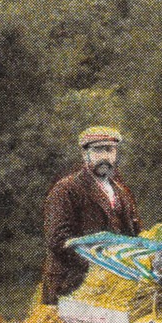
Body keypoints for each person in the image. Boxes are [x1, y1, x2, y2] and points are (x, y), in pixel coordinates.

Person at [41, 126, 141, 305]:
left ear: (116, 154)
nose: (105, 156)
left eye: (109, 150)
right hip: (70, 287)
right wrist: (98, 267)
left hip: (111, 289)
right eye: (98, 150)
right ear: (84, 154)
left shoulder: (122, 193)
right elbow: (57, 239)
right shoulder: (66, 189)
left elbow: (136, 234)